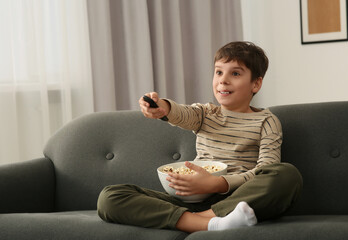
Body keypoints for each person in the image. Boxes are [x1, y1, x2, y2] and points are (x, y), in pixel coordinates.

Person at [97, 41, 303, 233]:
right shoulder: (205, 114)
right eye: (219, 72)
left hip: (237, 198)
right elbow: (181, 114)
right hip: (189, 199)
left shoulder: (266, 122)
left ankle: (201, 219)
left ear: (255, 84)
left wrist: (218, 184)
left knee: (287, 174)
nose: (223, 79)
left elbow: (265, 169)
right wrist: (163, 108)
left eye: (236, 73)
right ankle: (211, 223)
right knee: (110, 197)